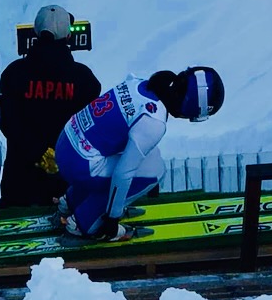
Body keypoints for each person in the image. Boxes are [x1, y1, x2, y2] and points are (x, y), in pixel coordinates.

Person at [56, 67, 225, 240]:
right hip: (80, 165)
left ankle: (71, 201)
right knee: (153, 172)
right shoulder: (153, 121)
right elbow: (123, 174)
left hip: (67, 143)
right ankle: (85, 222)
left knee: (144, 156)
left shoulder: (140, 83)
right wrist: (113, 217)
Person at [0, 6, 102, 205]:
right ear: (68, 36)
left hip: (20, 178)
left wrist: (37, 152)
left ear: (36, 33)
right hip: (68, 176)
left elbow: (8, 121)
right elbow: (91, 128)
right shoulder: (85, 79)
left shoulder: (14, 73)